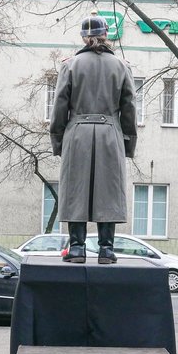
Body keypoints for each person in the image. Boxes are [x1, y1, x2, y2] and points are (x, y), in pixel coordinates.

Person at [49, 14, 138, 264]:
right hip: (110, 133)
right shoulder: (121, 66)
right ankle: (106, 250)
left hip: (77, 134)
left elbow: (59, 107)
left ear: (83, 37)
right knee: (109, 190)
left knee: (75, 189)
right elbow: (129, 109)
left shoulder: (70, 65)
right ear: (106, 35)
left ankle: (77, 248)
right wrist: (128, 144)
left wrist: (58, 141)